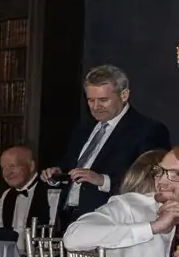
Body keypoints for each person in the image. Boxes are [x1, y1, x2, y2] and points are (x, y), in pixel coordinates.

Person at [46, 65, 172, 227]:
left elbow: (149, 181)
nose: (95, 107)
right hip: (68, 219)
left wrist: (102, 180)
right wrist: (57, 173)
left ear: (124, 95)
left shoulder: (148, 130)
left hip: (112, 222)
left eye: (103, 100)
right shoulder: (83, 128)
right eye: (91, 100)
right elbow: (70, 166)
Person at [0, 145, 61, 233]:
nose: (6, 173)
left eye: (12, 166)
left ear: (31, 166)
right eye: (3, 168)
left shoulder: (51, 191)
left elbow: (55, 229)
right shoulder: (7, 195)